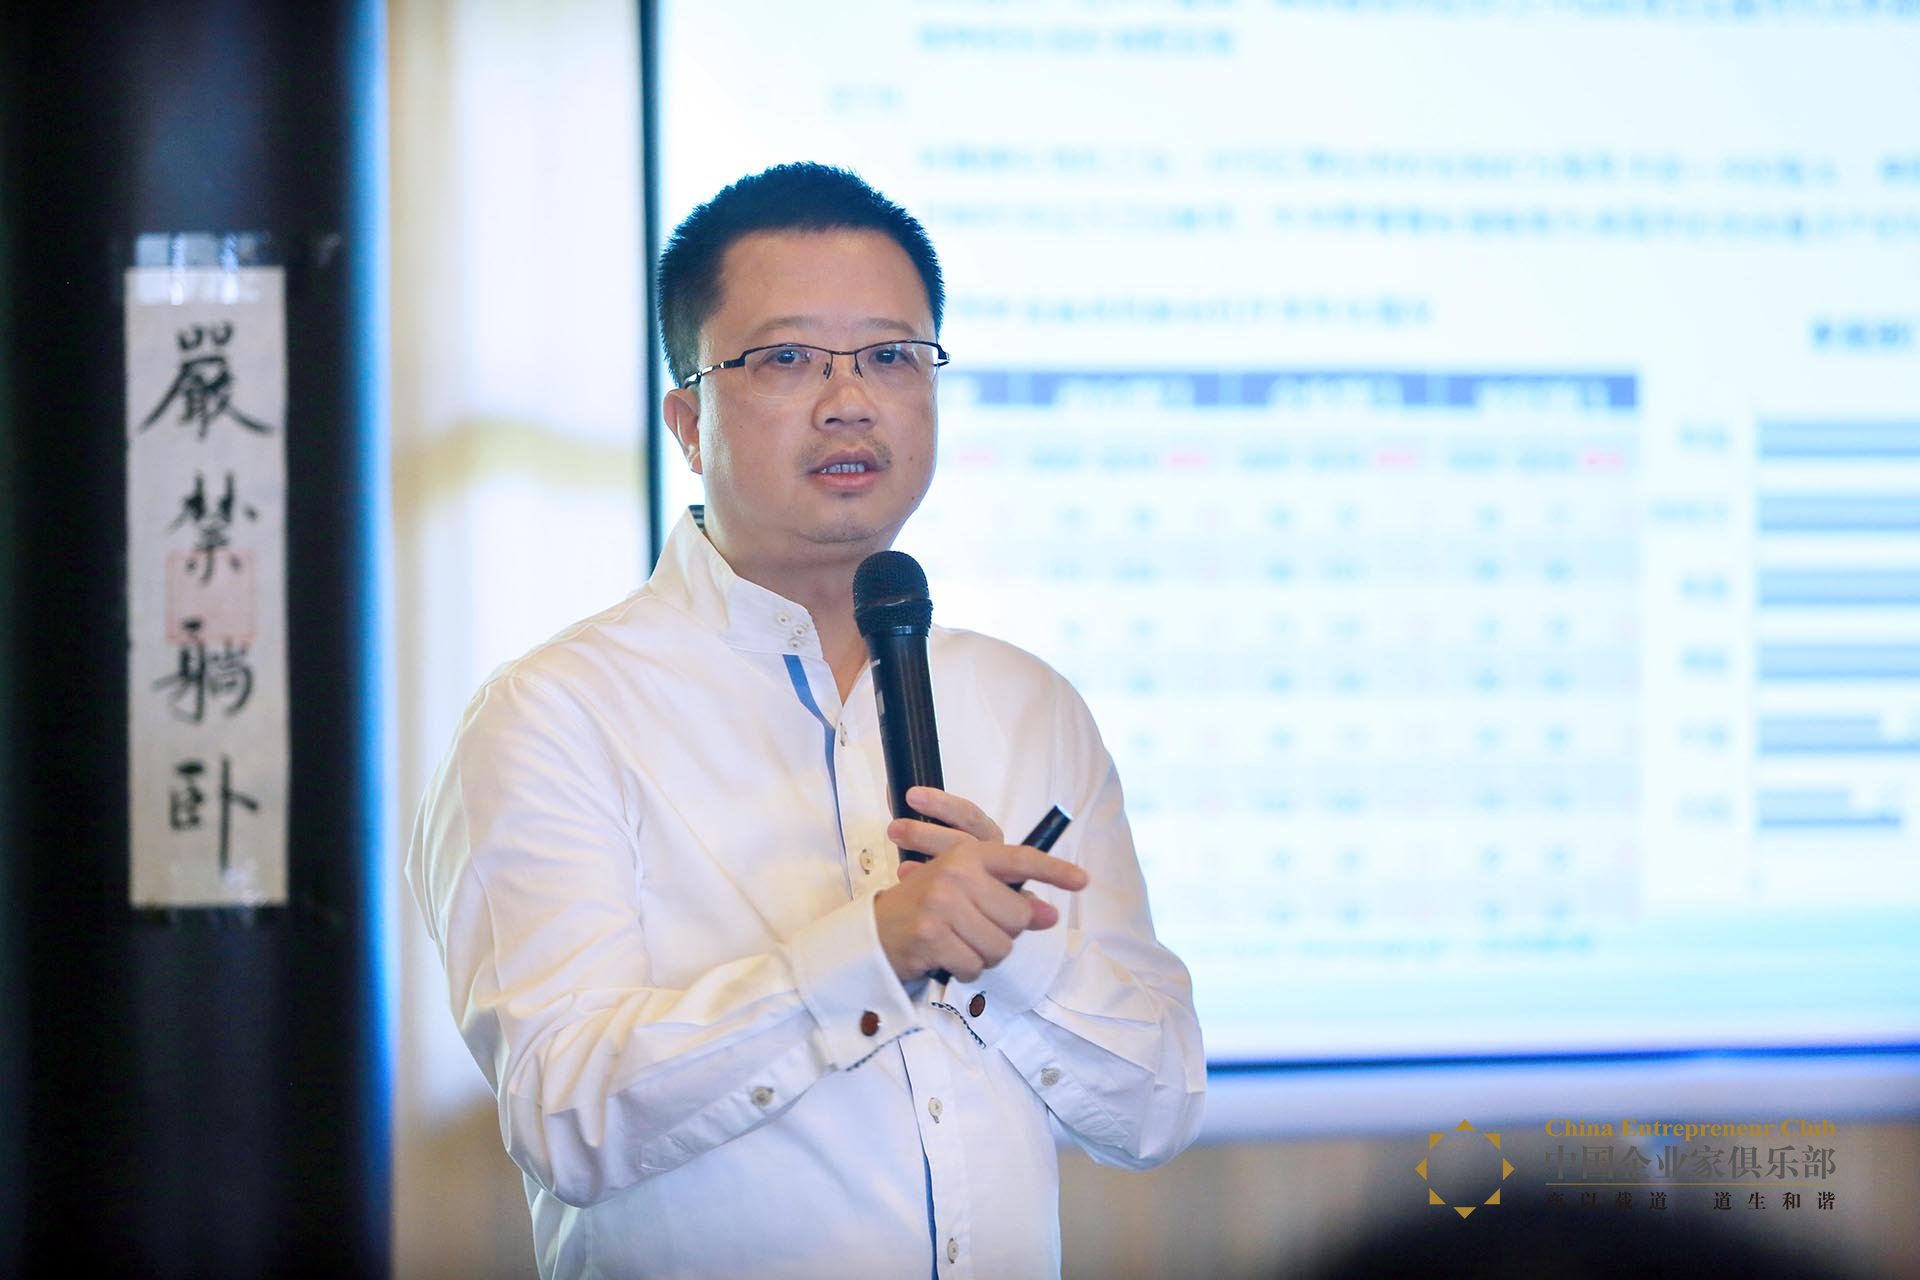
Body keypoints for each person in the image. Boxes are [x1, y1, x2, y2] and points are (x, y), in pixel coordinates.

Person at [407, 162, 1205, 1279]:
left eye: (892, 355)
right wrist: (870, 950)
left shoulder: (1028, 703)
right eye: (786, 358)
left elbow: (1159, 1107)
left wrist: (1007, 959)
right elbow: (565, 1116)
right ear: (689, 421)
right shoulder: (554, 714)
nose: (850, 400)